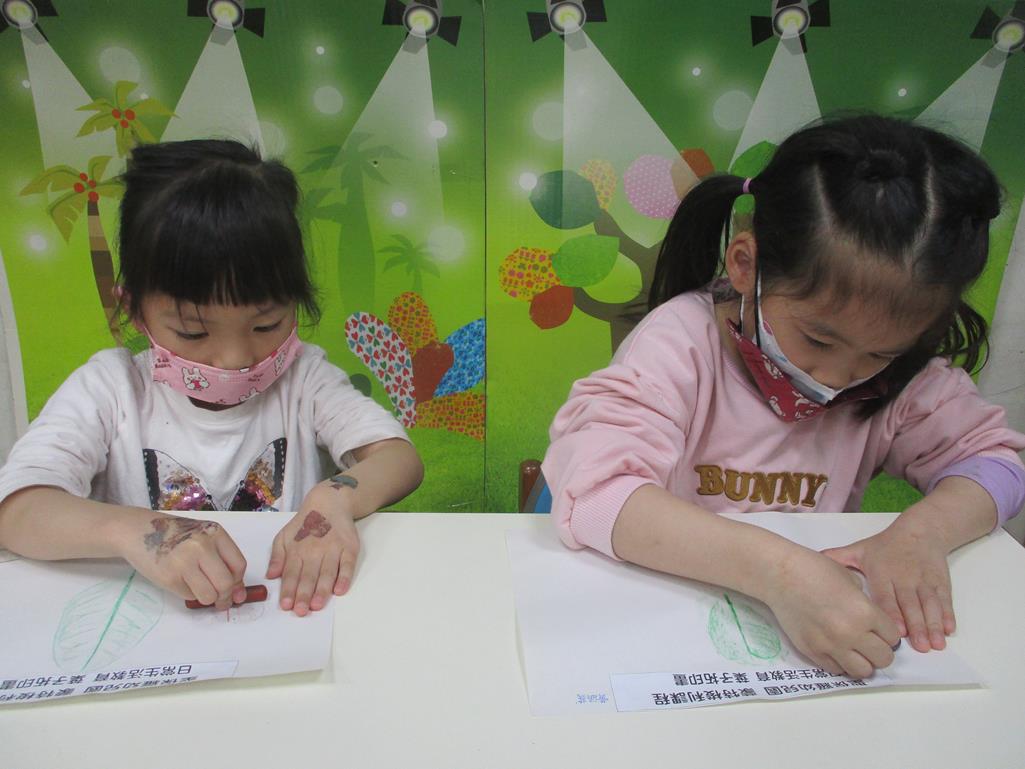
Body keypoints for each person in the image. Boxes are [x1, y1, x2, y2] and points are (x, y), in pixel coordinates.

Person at [542, 115, 1025, 679]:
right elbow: (593, 494)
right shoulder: (681, 343)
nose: (839, 376)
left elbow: (998, 464)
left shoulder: (908, 376)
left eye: (881, 353)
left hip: (805, 636)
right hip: (672, 610)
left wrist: (923, 534)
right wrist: (780, 573)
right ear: (745, 265)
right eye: (818, 339)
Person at [0, 139, 423, 617]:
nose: (234, 358)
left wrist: (333, 499)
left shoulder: (304, 379)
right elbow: (17, 509)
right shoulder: (109, 389)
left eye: (266, 325)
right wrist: (139, 531)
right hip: (154, 628)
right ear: (134, 309)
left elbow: (397, 458)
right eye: (193, 332)